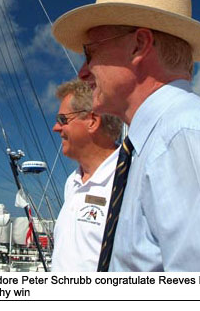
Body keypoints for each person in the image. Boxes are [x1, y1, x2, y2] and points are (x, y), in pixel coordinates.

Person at [52, 0, 200, 272]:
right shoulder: (158, 143)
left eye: (90, 52)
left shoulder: (183, 137)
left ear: (139, 45)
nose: (83, 71)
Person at [50, 78, 122, 271]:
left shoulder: (131, 179)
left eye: (62, 120)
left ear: (92, 121)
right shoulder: (72, 182)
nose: (56, 128)